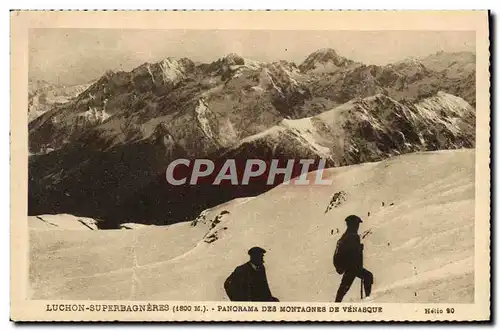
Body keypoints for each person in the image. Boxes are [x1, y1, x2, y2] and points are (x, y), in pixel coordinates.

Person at [333, 215, 373, 302]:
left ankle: (337, 303)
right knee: (367, 276)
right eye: (357, 224)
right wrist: (359, 248)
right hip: (352, 267)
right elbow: (352, 253)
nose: (358, 226)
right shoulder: (353, 236)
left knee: (344, 287)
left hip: (349, 266)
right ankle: (368, 299)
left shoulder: (345, 236)